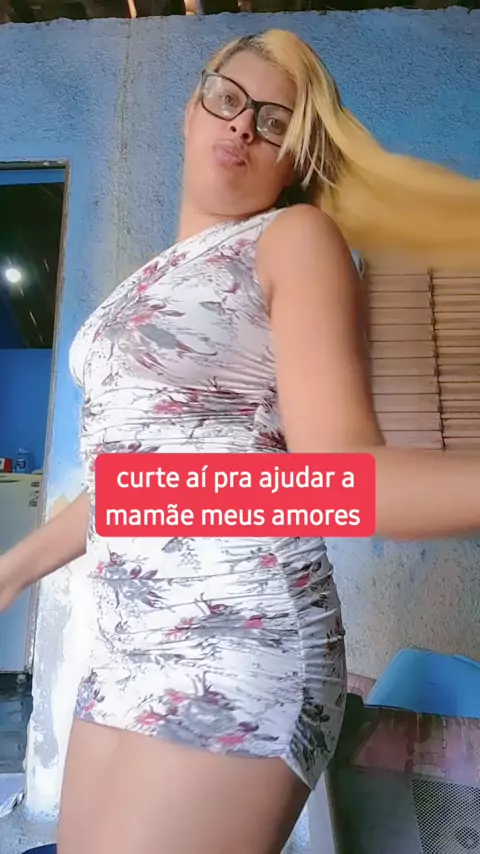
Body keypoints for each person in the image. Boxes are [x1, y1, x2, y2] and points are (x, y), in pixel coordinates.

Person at [1, 28, 480, 854]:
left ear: (294, 158)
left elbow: (343, 476)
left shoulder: (293, 239)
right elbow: (134, 484)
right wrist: (12, 569)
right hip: (124, 641)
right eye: (228, 99)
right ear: (191, 110)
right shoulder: (149, 277)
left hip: (241, 636)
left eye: (274, 120)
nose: (242, 125)